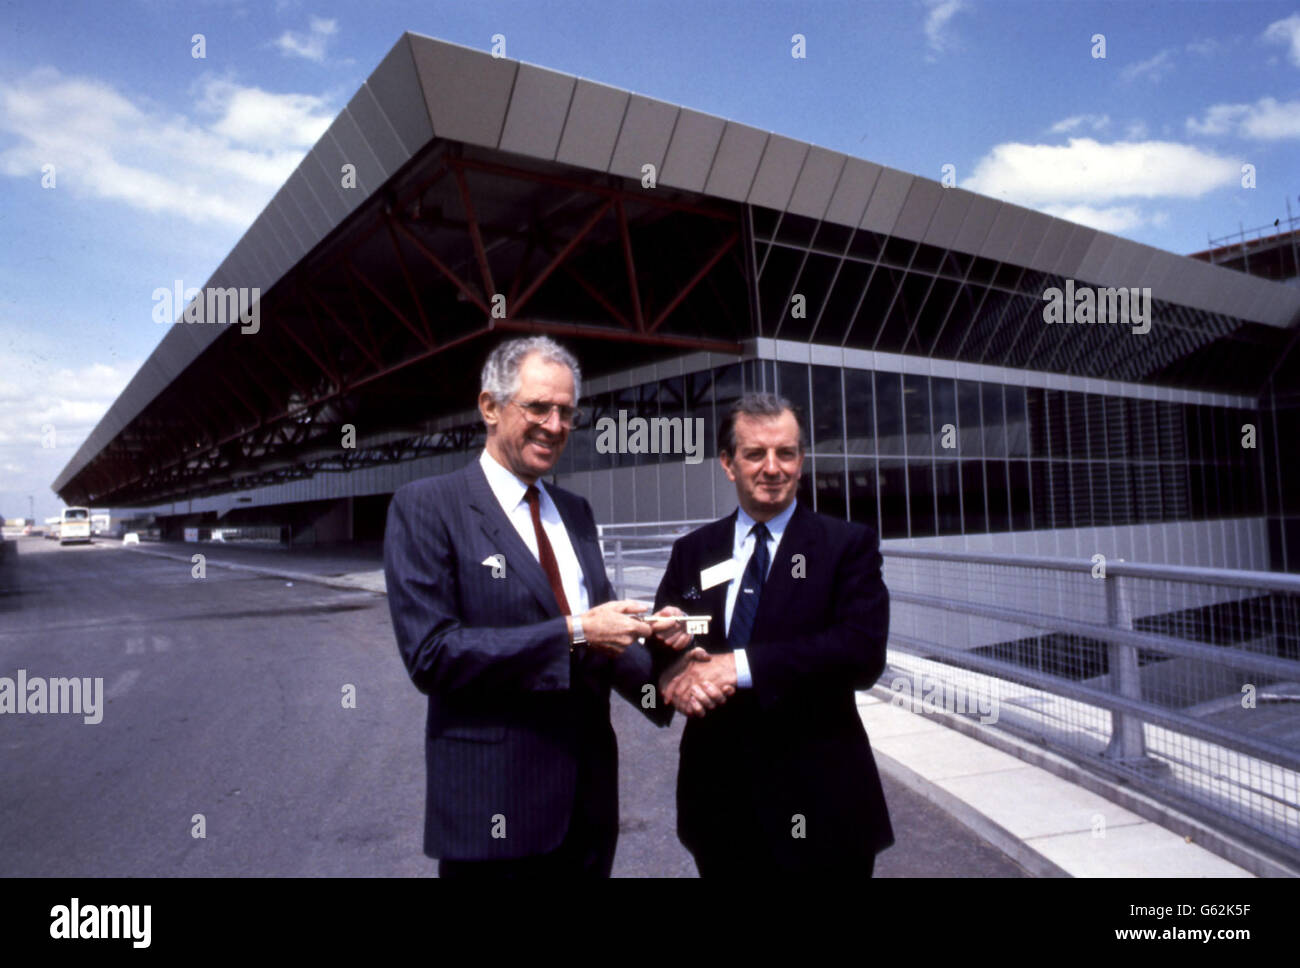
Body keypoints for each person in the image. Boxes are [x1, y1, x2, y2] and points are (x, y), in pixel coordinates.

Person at [383, 336, 677, 878]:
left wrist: (669, 674)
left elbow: (599, 631)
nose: (556, 425)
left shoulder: (575, 511)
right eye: (538, 407)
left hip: (587, 807)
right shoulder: (427, 506)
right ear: (489, 407)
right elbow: (432, 654)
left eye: (567, 412)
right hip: (494, 811)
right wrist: (575, 632)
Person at [652, 392, 895, 876]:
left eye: (785, 453)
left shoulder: (846, 547)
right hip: (719, 806)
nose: (772, 467)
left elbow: (861, 653)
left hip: (821, 804)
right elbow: (661, 642)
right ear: (727, 463)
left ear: (801, 462)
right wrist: (671, 668)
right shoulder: (693, 551)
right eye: (754, 454)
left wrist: (737, 667)